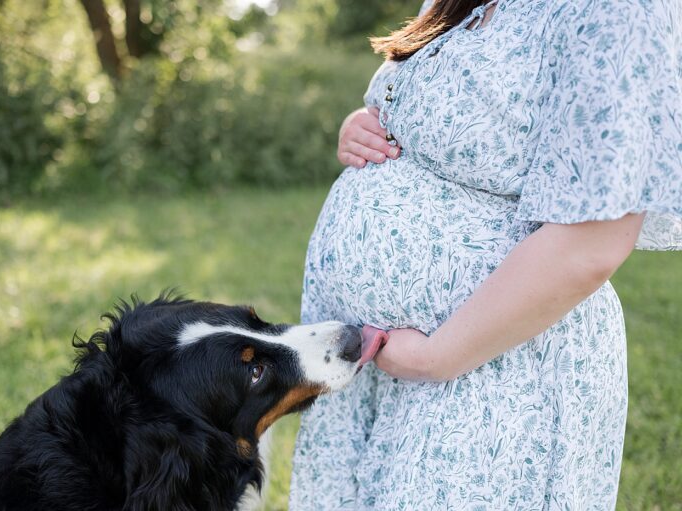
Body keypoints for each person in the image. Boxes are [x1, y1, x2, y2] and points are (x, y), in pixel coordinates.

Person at [289, 0, 682, 509]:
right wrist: (361, 126)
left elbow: (594, 240)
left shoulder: (623, 9)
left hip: (487, 367)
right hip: (370, 361)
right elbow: (405, 103)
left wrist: (435, 358)